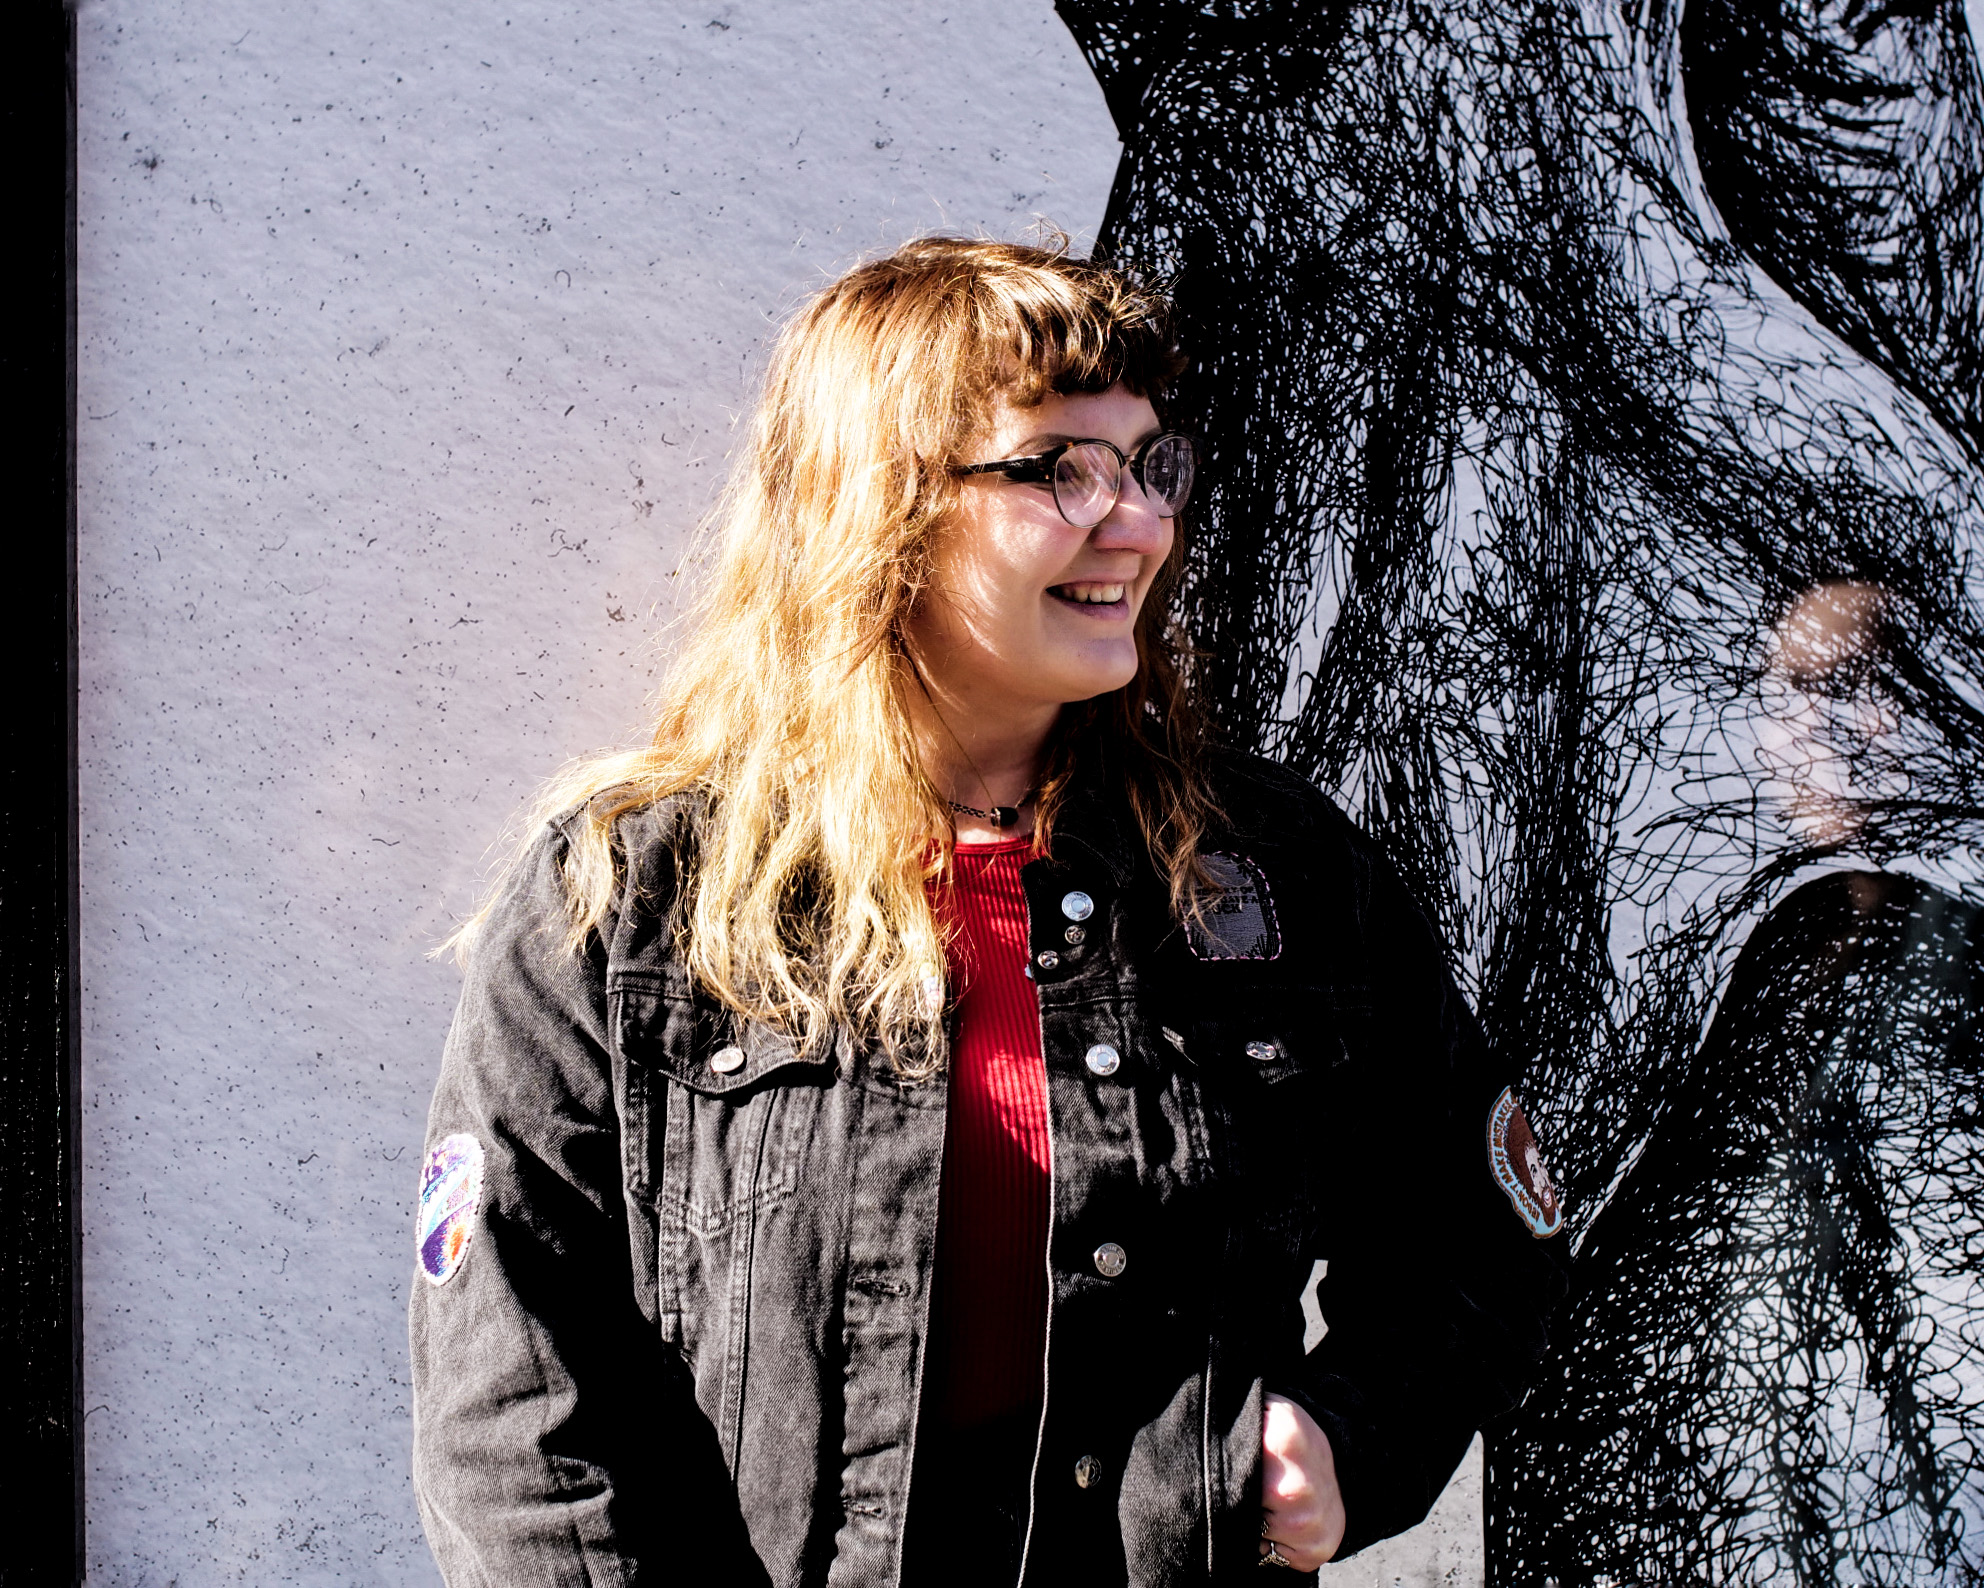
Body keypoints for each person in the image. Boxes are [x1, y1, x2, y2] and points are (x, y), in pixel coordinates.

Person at [408, 236, 1569, 1587]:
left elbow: (1491, 1230)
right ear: (878, 505)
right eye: (1061, 468)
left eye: (1148, 466)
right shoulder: (631, 901)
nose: (1137, 521)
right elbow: (514, 1403)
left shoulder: (1281, 877)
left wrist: (1350, 1441)